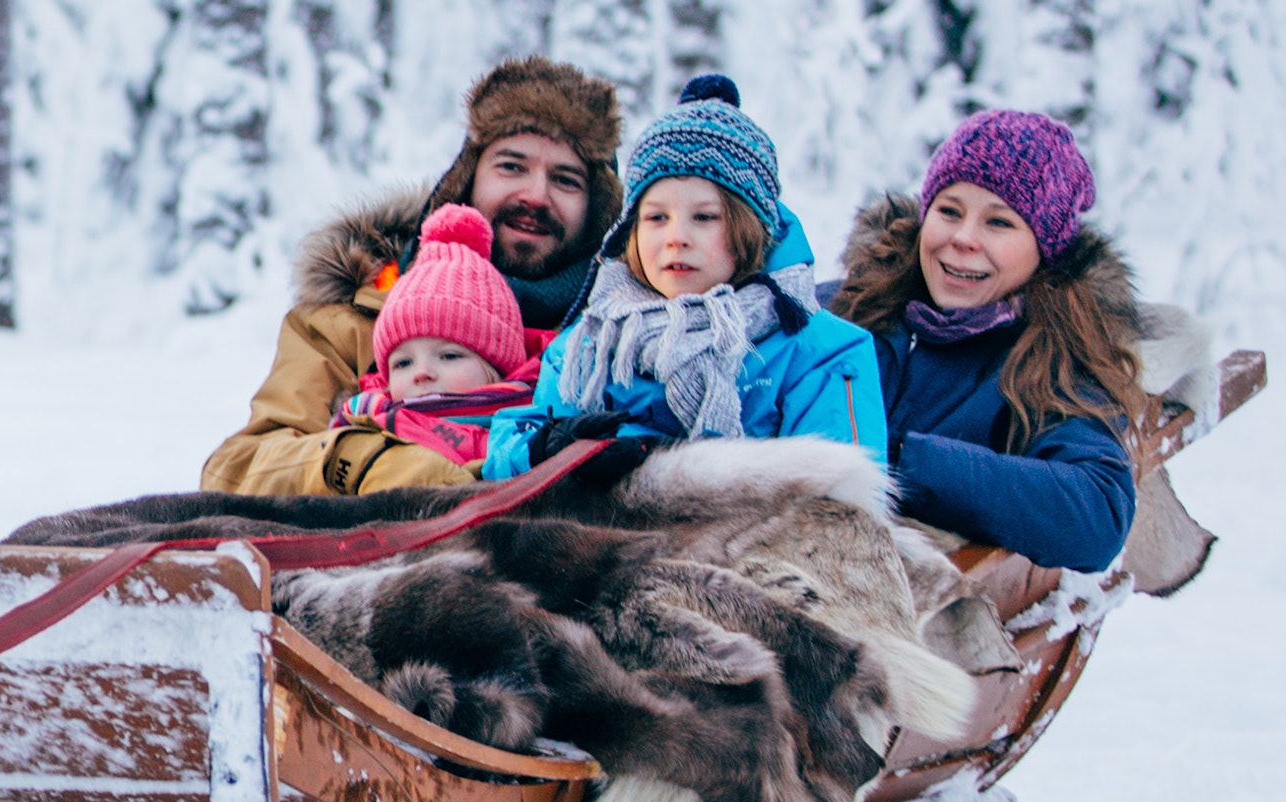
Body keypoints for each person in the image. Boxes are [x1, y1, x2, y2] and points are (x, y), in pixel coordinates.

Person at [199, 57, 621, 495]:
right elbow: (237, 469)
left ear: (598, 210)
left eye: (566, 180)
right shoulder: (352, 320)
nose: (536, 195)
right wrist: (372, 463)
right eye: (512, 166)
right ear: (466, 179)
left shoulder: (624, 338)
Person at [482, 76, 886, 478]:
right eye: (657, 218)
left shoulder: (820, 351)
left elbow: (841, 498)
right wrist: (543, 449)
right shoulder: (592, 342)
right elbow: (509, 447)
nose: (676, 238)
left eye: (705, 218)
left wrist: (683, 474)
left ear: (750, 229)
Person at [823, 110, 1144, 570]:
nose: (963, 238)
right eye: (949, 211)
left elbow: (1097, 513)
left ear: (1044, 250)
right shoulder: (849, 308)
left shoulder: (1053, 358)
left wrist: (903, 461)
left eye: (999, 223)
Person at [330, 204, 541, 467]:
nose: (421, 372)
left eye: (449, 355)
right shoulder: (363, 425)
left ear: (497, 368)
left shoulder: (533, 433)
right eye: (403, 363)